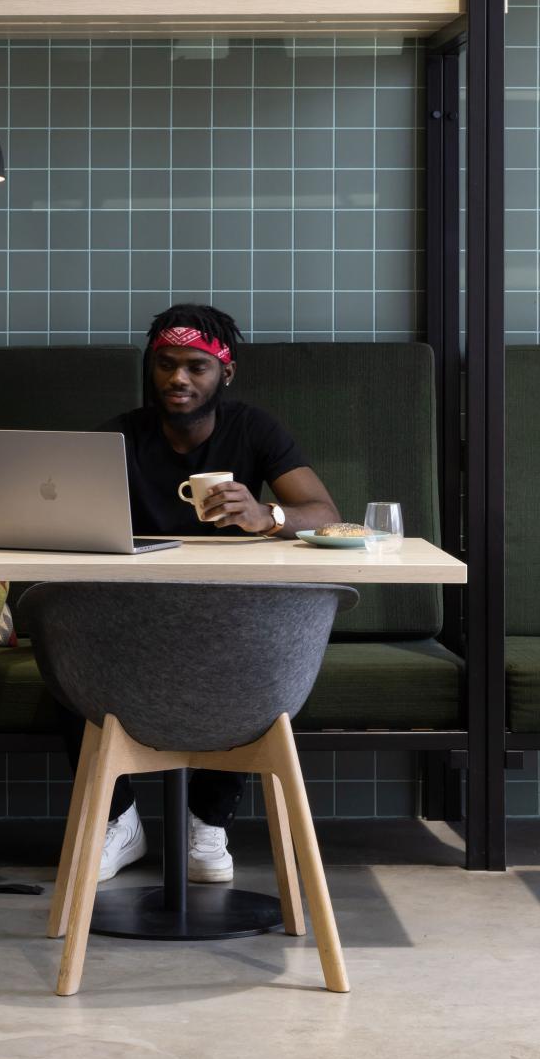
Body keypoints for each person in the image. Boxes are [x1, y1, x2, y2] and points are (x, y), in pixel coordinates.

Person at [72, 302, 340, 887]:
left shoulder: (255, 430)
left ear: (226, 372)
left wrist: (266, 514)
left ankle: (206, 821)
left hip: (227, 612)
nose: (178, 379)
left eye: (196, 366)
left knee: (247, 658)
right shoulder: (119, 436)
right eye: (166, 365)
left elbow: (324, 514)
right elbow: (68, 517)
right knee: (66, 650)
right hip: (136, 611)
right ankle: (120, 822)